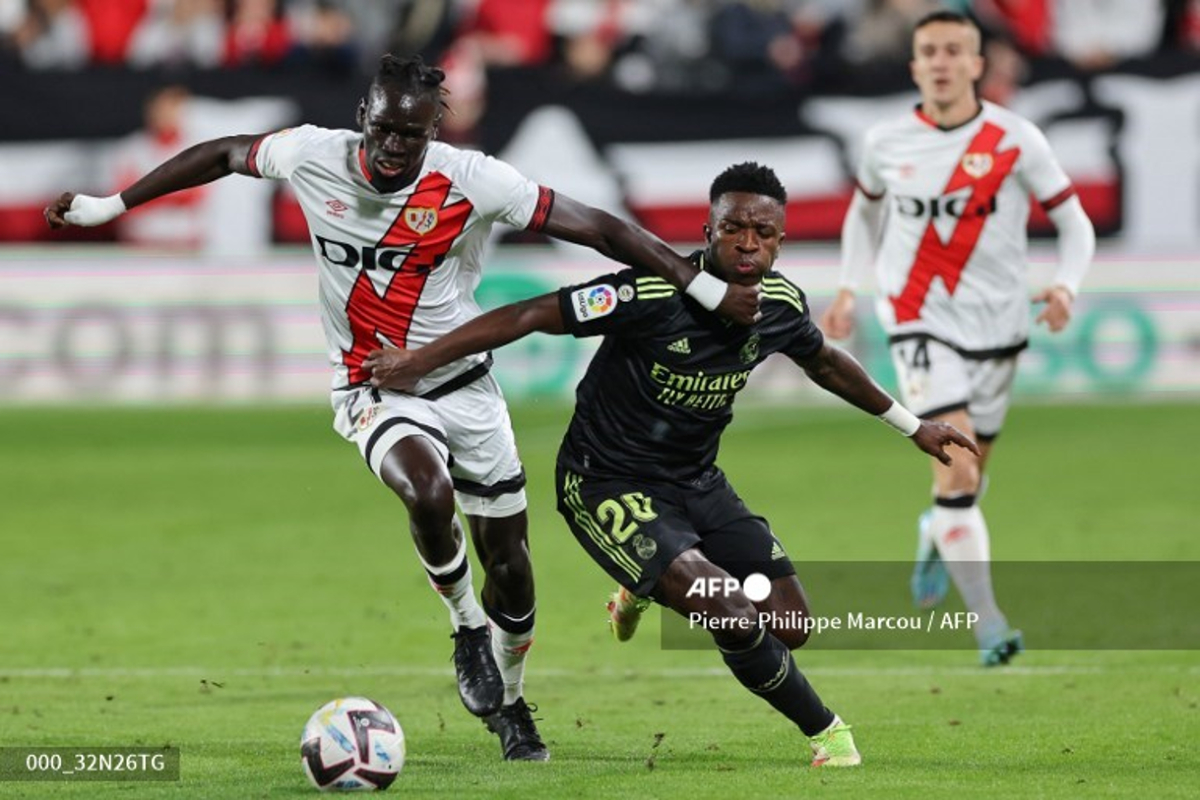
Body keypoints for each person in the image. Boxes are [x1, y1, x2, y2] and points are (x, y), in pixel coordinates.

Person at [43, 54, 759, 762]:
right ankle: (465, 626)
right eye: (383, 129)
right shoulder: (313, 154)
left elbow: (601, 228)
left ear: (431, 133)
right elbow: (225, 153)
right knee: (425, 488)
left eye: (410, 136)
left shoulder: (473, 179)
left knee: (510, 565)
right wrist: (113, 206)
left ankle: (511, 704)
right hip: (371, 385)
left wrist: (699, 288)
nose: (393, 147)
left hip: (466, 389)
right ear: (364, 117)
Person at [362, 162, 980, 767]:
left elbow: (825, 363)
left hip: (697, 485)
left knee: (790, 623)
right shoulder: (648, 293)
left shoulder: (782, 305)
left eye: (763, 233)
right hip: (606, 484)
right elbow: (530, 314)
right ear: (708, 231)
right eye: (733, 227)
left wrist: (912, 424)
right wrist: (422, 359)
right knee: (730, 611)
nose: (747, 243)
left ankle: (645, 582)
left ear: (780, 242)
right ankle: (827, 733)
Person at [820, 11, 1095, 665]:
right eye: (929, 52)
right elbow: (864, 212)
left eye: (954, 51)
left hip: (999, 328)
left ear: (978, 64)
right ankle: (989, 622)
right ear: (914, 66)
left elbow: (1075, 222)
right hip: (917, 320)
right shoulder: (886, 141)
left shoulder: (1016, 138)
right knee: (960, 465)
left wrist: (1066, 287)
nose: (941, 62)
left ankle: (936, 528)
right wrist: (849, 289)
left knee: (969, 481)